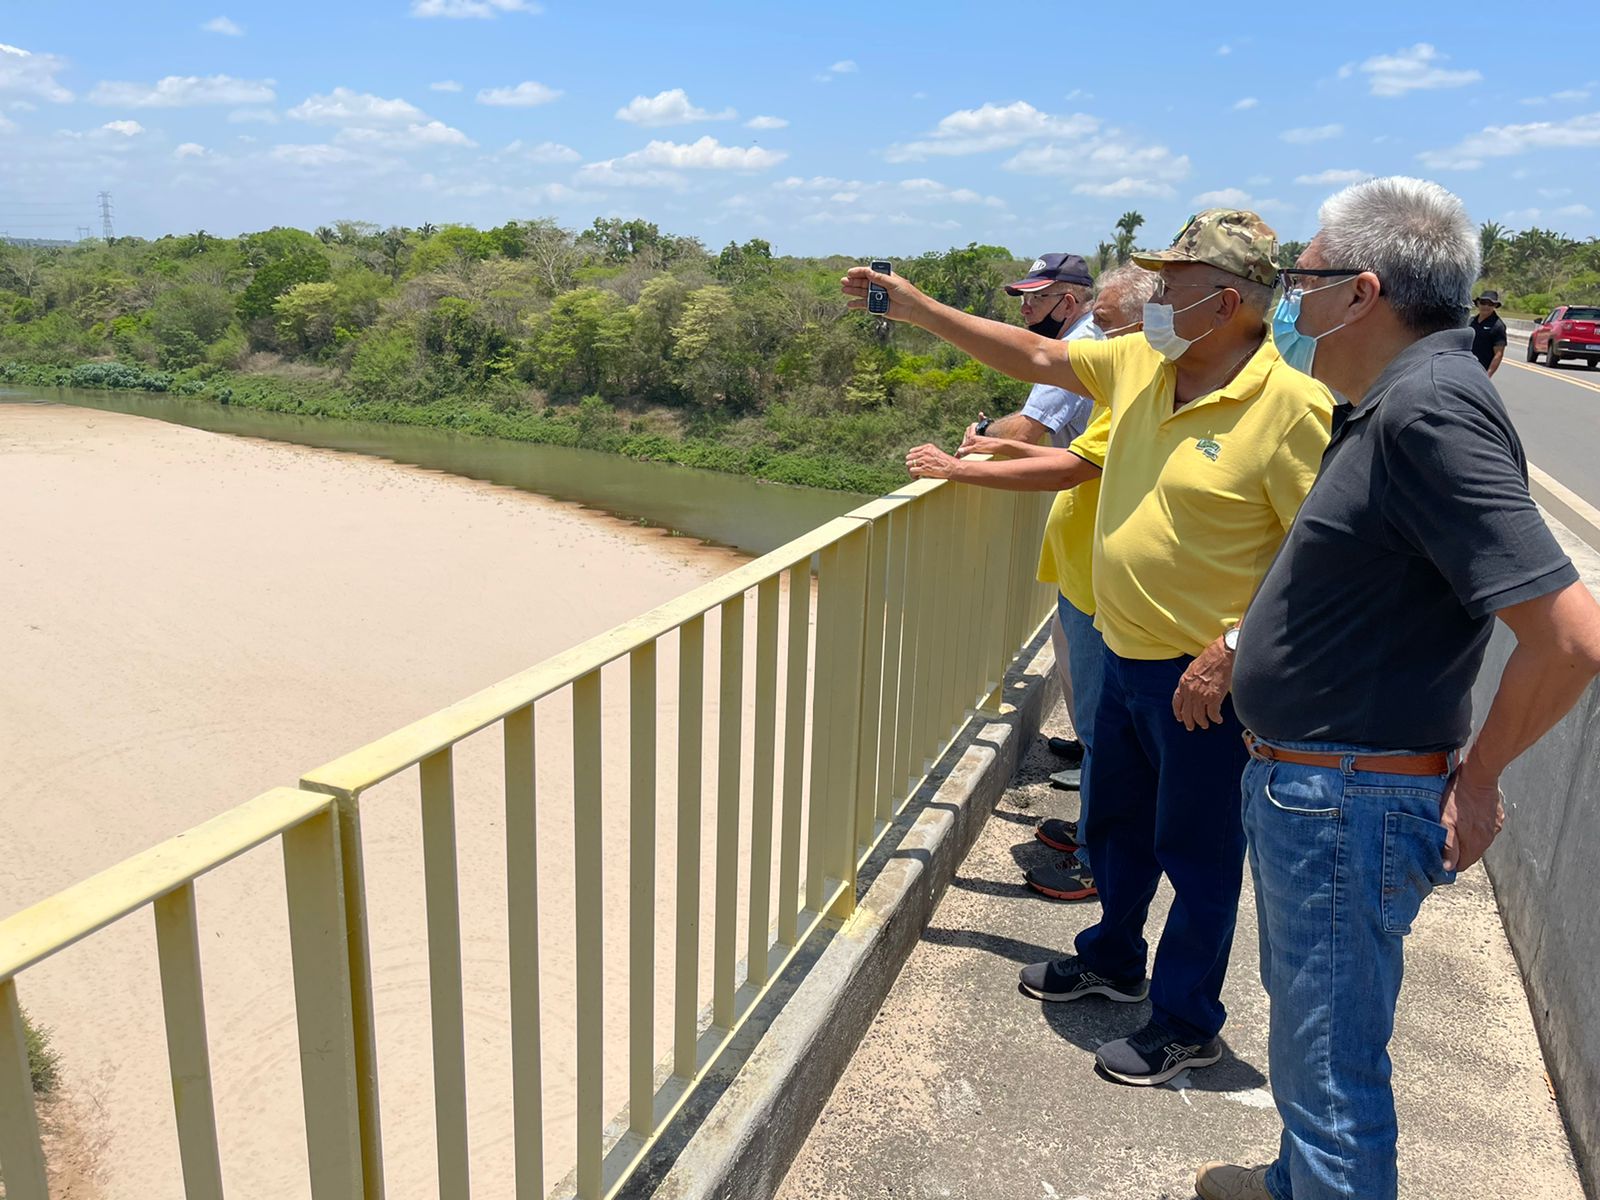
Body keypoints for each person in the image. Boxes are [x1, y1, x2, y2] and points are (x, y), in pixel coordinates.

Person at [854, 208, 1334, 1085]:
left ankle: (1187, 1020)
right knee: (1114, 828)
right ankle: (1114, 961)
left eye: (1171, 286)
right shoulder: (1148, 367)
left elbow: (1316, 554)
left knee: (1199, 856)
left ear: (1226, 301)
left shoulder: (1292, 407)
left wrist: (1230, 649)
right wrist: (914, 306)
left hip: (1203, 683)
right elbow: (1035, 357)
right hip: (1122, 651)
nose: (1154, 300)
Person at [1199, 177, 1600, 1200]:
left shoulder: (1427, 411)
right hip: (1325, 786)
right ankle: (1295, 1183)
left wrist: (1478, 778)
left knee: (1332, 1070)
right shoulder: (1401, 400)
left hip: (1344, 798)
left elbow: (1568, 635)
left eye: (1303, 278)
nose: (1289, 300)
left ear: (1360, 292)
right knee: (1309, 1032)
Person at [907, 263, 1158, 903]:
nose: (1094, 336)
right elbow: (1077, 458)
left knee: (1108, 732)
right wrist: (997, 451)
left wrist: (963, 467)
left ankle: (1099, 863)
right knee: (1103, 726)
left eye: (1105, 321)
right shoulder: (1134, 382)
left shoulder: (1142, 378)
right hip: (1088, 575)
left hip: (1107, 584)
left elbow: (1070, 468)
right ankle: (1093, 837)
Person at [972, 252, 1104, 791]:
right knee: (1072, 641)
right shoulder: (1089, 340)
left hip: (1094, 525)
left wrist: (976, 447)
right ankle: (1093, 749)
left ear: (1067, 301)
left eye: (1035, 298)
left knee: (1085, 646)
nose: (1026, 309)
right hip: (1087, 526)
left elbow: (1029, 431)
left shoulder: (1080, 347)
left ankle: (1099, 769)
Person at [1469, 288, 1507, 376]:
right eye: (1483, 302)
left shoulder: (1498, 326)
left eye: (1490, 304)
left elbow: (1498, 354)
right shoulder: (1470, 321)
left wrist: (1488, 374)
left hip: (1480, 371)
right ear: (1478, 303)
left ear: (1495, 306)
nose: (1486, 306)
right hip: (1465, 366)